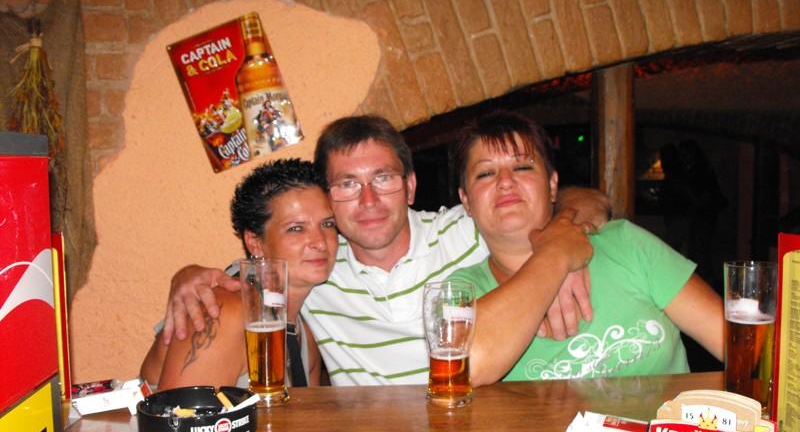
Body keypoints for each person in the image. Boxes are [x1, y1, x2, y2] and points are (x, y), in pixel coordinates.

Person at [160, 116, 601, 386]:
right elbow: (251, 275)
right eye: (348, 184)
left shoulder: (467, 230)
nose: (368, 200)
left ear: (410, 186)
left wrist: (560, 239)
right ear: (329, 197)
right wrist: (188, 276)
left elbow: (583, 201)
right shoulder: (318, 264)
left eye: (383, 179)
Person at [449, 110, 723, 381]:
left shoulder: (626, 244)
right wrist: (555, 258)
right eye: (485, 173)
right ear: (466, 201)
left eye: (522, 167)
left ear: (552, 186)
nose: (505, 182)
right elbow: (467, 366)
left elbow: (733, 342)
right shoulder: (464, 291)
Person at [140, 159, 337, 389]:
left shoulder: (304, 335)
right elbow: (180, 412)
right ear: (255, 243)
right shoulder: (226, 313)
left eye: (328, 224)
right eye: (296, 228)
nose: (320, 242)